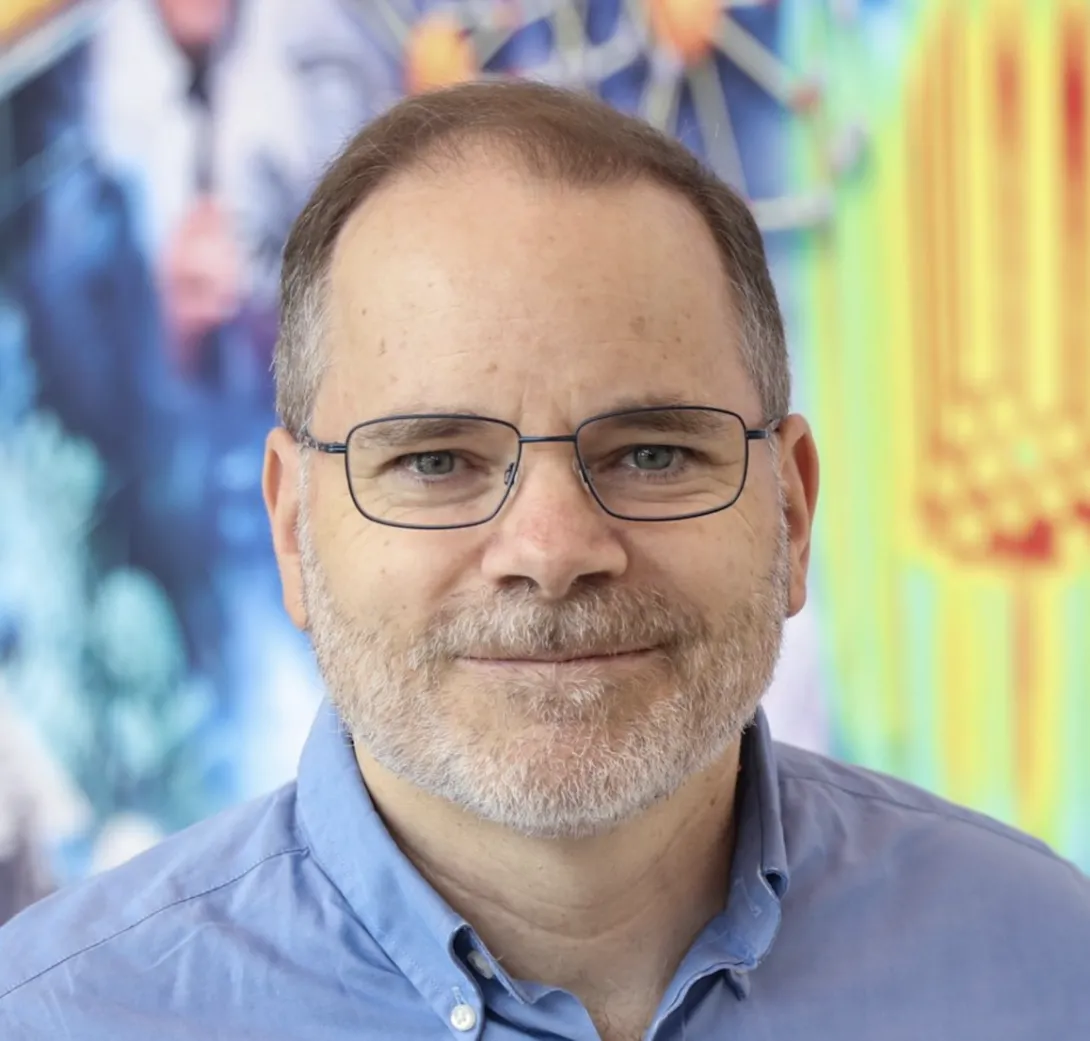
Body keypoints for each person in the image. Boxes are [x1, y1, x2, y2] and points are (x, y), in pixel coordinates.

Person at [0, 80, 1086, 1041]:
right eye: (435, 461)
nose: (555, 550)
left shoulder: (1048, 966)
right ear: (295, 528)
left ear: (792, 510)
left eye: (655, 451)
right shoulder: (55, 1016)